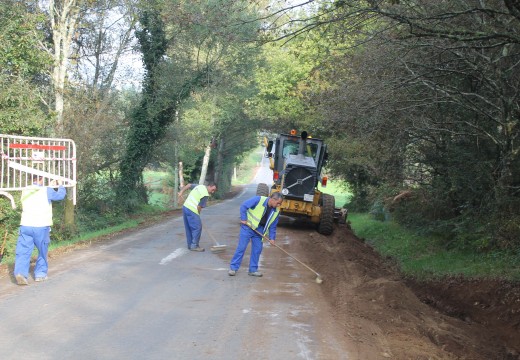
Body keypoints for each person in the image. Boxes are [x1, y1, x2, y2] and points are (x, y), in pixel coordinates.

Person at [14, 176, 66, 285]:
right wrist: (60, 185)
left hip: (26, 225)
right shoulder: (45, 190)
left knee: (23, 251)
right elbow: (60, 196)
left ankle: (20, 273)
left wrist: (50, 186)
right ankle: (40, 274)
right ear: (41, 179)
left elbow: (37, 197)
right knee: (42, 251)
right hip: (41, 225)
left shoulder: (25, 190)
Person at [228, 192, 283, 277]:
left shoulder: (276, 211)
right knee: (241, 247)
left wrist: (272, 238)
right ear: (272, 199)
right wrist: (243, 219)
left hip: (260, 231)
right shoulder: (258, 200)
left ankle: (253, 270)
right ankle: (233, 268)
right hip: (248, 227)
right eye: (278, 203)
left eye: (280, 203)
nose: (279, 205)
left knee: (257, 249)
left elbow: (273, 226)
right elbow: (244, 206)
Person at [178, 182, 217, 252]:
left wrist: (181, 192)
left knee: (189, 227)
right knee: (197, 227)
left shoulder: (200, 186)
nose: (213, 192)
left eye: (214, 191)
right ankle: (194, 245)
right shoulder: (205, 195)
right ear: (210, 186)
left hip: (185, 207)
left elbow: (189, 185)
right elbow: (199, 207)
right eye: (213, 189)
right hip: (192, 210)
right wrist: (198, 214)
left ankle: (190, 245)